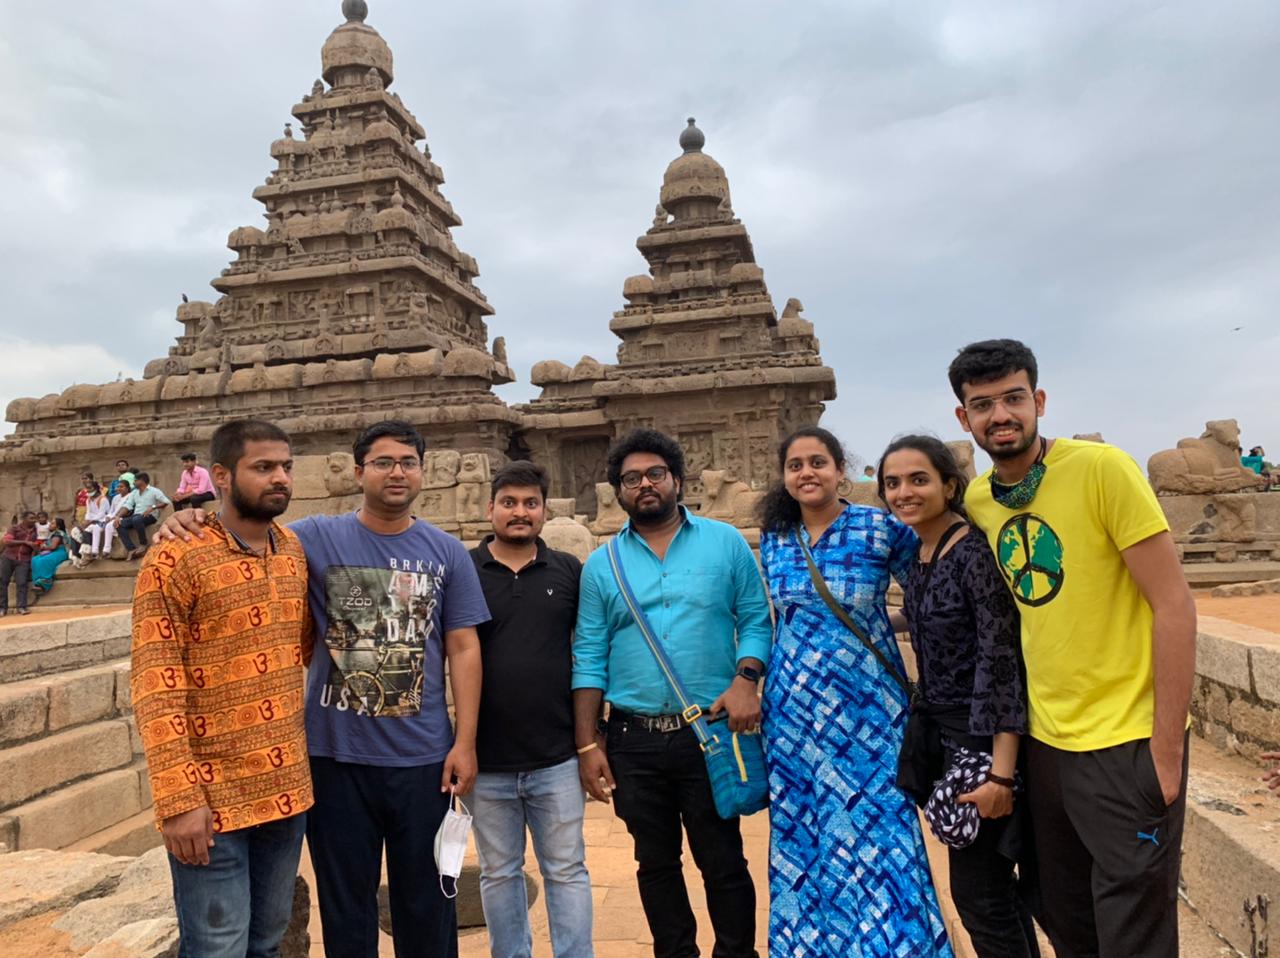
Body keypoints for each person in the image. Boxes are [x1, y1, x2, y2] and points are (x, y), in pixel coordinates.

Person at [157, 419, 489, 958]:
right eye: (383, 462)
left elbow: (464, 647)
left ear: (423, 472)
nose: (397, 472)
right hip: (334, 761)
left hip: (423, 759)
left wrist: (465, 741)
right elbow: (245, 528)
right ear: (358, 473)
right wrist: (188, 518)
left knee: (428, 905)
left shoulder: (447, 552)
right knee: (346, 910)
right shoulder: (307, 539)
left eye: (408, 462)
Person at [950, 338, 1197, 958]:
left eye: (1013, 399)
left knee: (1134, 926)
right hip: (1047, 741)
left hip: (1126, 736)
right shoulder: (980, 500)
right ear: (964, 417)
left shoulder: (1102, 469)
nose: (1000, 415)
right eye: (983, 405)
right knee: (1065, 917)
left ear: (1038, 401)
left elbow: (1173, 605)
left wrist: (1166, 750)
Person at [573, 428, 771, 958]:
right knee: (655, 863)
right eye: (631, 478)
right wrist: (588, 744)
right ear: (618, 490)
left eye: (655, 474)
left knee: (723, 860)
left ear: (678, 480)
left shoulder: (725, 543)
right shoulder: (602, 564)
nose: (645, 484)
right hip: (633, 739)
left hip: (709, 731)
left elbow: (755, 618)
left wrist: (746, 680)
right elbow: (588, 656)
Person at [756, 426, 952, 956]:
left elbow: (929, 594)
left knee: (882, 832)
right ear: (785, 476)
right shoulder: (776, 538)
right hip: (792, 718)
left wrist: (886, 621)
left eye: (818, 462)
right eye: (795, 465)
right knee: (804, 835)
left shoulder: (879, 528)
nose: (807, 473)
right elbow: (776, 618)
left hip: (869, 715)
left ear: (840, 469)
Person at [132, 419, 313, 958]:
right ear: (222, 476)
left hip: (286, 791)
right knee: (217, 948)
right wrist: (179, 800)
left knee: (267, 941)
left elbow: (302, 646)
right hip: (211, 802)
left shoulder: (292, 550)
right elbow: (155, 684)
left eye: (286, 467)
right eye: (263, 467)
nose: (280, 478)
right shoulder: (176, 557)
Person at [880, 435, 1038, 958]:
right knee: (995, 893)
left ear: (949, 486)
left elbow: (1000, 661)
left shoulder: (972, 553)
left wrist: (1000, 774)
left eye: (918, 480)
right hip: (948, 738)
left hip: (981, 744)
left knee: (979, 899)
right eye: (893, 483)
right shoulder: (924, 552)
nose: (904, 492)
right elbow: (925, 615)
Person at [469, 460, 593, 958]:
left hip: (557, 755)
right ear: (490, 508)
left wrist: (591, 739)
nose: (519, 512)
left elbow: (590, 651)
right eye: (509, 503)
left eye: (530, 503)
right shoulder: (465, 571)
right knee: (499, 873)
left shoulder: (568, 570)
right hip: (486, 758)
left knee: (567, 870)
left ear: (544, 510)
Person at [113, 472, 172, 559]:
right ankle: (131, 549)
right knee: (118, 524)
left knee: (136, 519)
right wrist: (118, 516)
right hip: (136, 516)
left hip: (150, 516)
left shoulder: (154, 491)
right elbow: (127, 506)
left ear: (142, 481)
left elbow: (166, 502)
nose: (133, 483)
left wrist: (153, 507)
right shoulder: (134, 492)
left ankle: (143, 544)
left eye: (135, 481)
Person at [1, 511, 38, 616]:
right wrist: (25, 542)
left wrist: (35, 548)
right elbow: (7, 541)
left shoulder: (36, 531)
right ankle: (2, 608)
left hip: (24, 559)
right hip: (8, 557)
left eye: (34, 518)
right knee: (2, 582)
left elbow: (37, 545)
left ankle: (21, 607)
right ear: (24, 519)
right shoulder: (14, 528)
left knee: (22, 583)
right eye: (31, 518)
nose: (34, 520)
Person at [31, 517, 70, 593]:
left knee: (45, 560)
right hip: (53, 552)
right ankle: (37, 582)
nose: (49, 525)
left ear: (58, 527)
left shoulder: (58, 533)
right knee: (35, 559)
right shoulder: (52, 534)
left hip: (60, 552)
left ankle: (46, 582)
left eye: (52, 523)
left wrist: (43, 547)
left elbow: (53, 547)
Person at [83, 483, 115, 561]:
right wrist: (87, 520)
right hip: (92, 521)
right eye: (87, 489)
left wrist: (90, 521)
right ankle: (88, 552)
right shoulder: (88, 500)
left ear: (96, 489)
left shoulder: (103, 499)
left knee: (95, 527)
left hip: (103, 521)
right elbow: (88, 512)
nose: (88, 490)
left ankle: (95, 551)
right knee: (85, 530)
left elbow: (101, 514)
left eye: (90, 488)